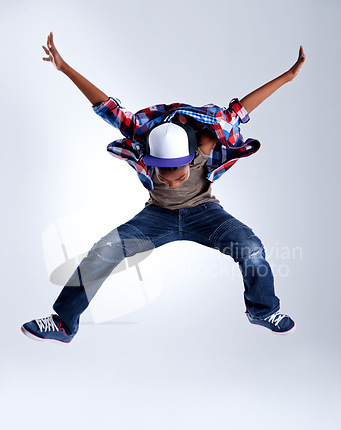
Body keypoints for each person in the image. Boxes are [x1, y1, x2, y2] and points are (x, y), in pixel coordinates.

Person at [21, 32, 306, 343]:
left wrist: (289, 76)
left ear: (191, 154)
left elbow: (242, 109)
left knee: (250, 247)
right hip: (157, 216)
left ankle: (262, 310)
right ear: (152, 158)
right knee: (103, 251)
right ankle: (63, 323)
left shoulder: (206, 141)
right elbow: (106, 106)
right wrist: (64, 67)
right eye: (164, 176)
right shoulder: (141, 139)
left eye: (180, 176)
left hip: (204, 212)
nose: (171, 181)